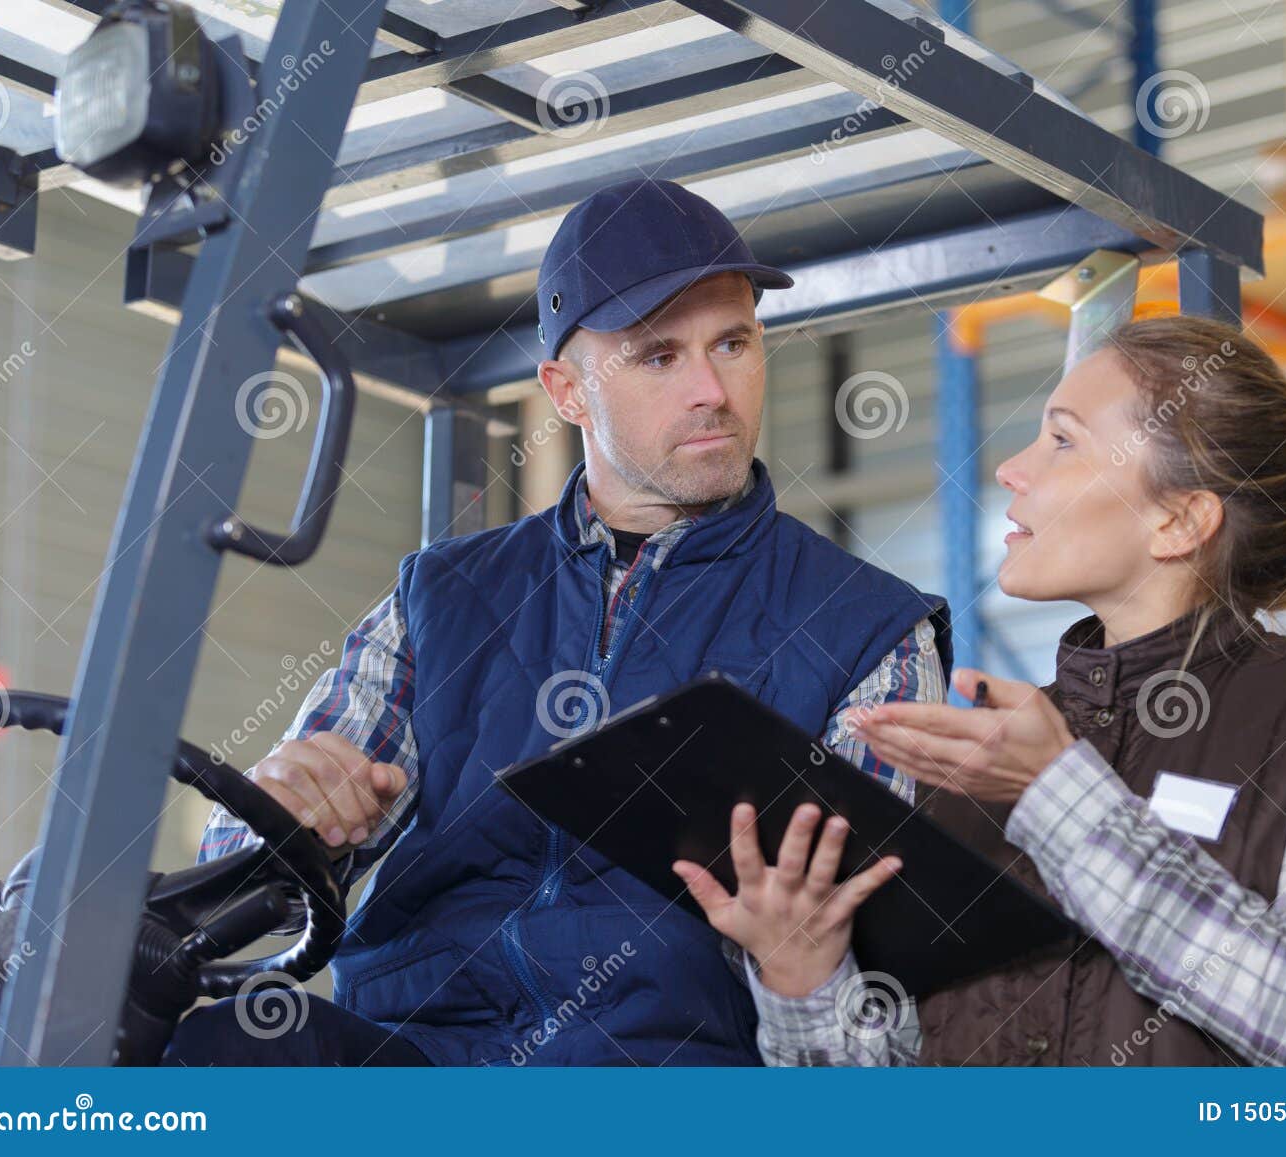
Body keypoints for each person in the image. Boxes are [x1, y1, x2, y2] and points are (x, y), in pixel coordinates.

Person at [164, 177, 951, 1067]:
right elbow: (233, 895)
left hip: (664, 1075)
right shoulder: (441, 598)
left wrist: (801, 968)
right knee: (215, 1050)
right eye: (659, 357)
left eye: (733, 342)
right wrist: (282, 807)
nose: (712, 391)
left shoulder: (868, 631)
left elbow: (873, 1038)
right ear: (567, 391)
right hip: (419, 1058)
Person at [676, 314, 1286, 1066]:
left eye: (1063, 441)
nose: (1010, 469)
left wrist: (1059, 795)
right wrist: (804, 977)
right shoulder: (981, 764)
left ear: (1179, 520)